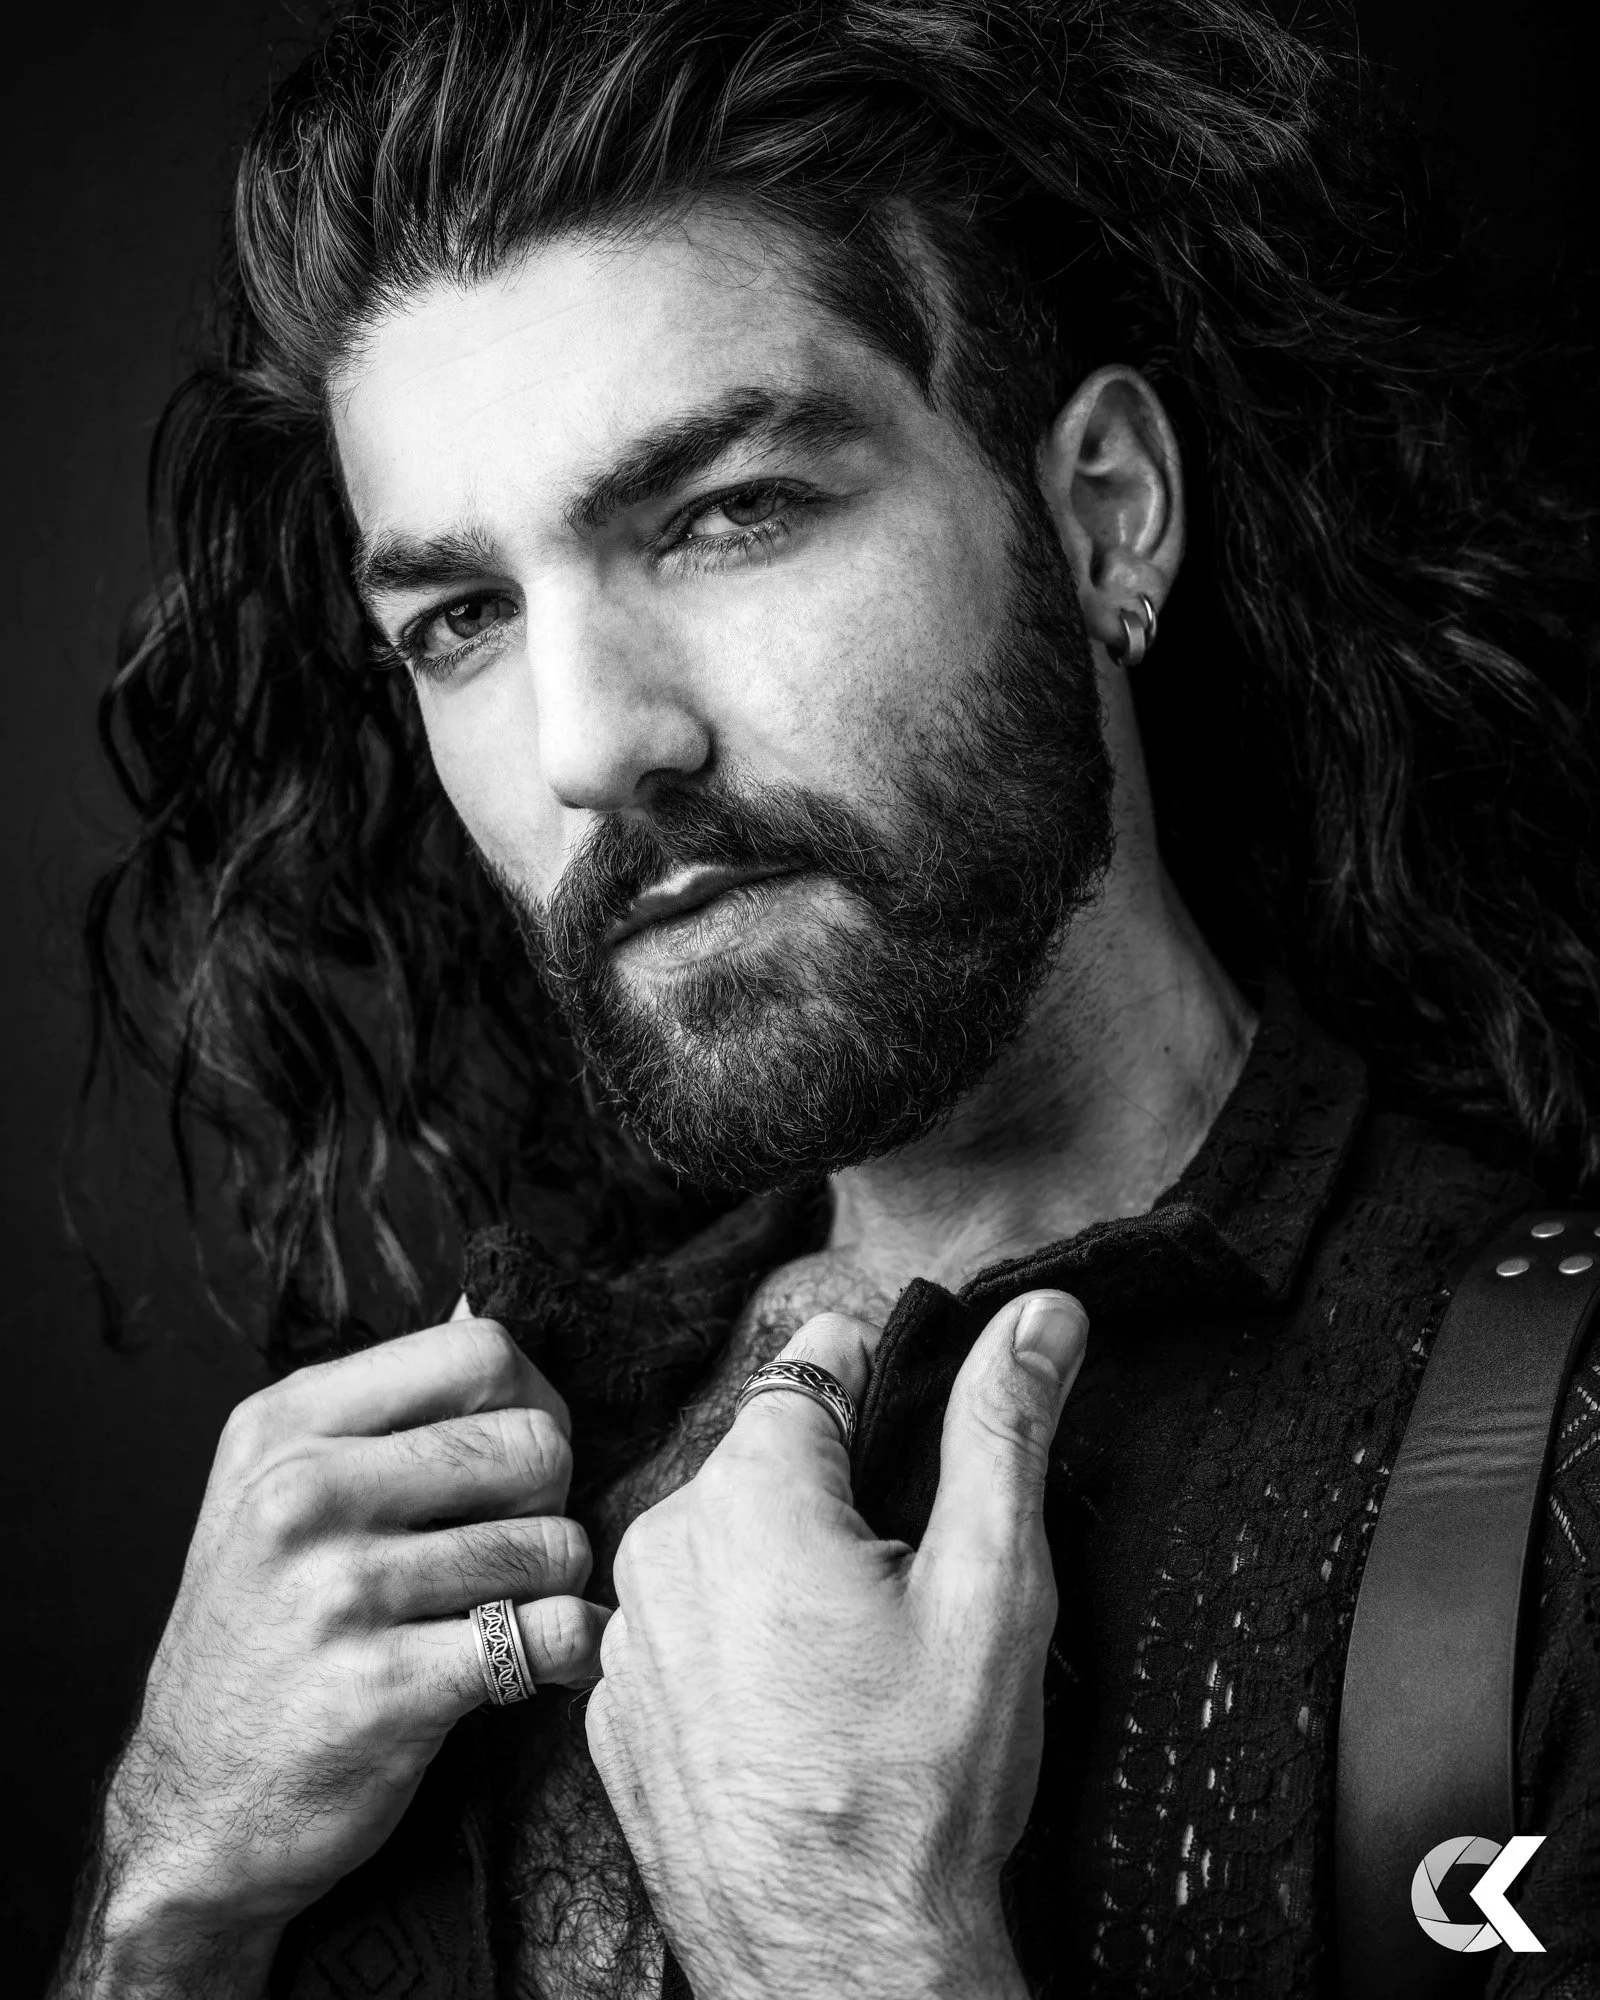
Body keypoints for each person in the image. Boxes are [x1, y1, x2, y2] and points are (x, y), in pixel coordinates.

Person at [55, 1, 1600, 1995]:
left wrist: (853, 1945)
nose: (589, 740)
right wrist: (168, 1894)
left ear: (1103, 511)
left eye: (729, 512)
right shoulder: (460, 1489)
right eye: (458, 618)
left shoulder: (1544, 1469)